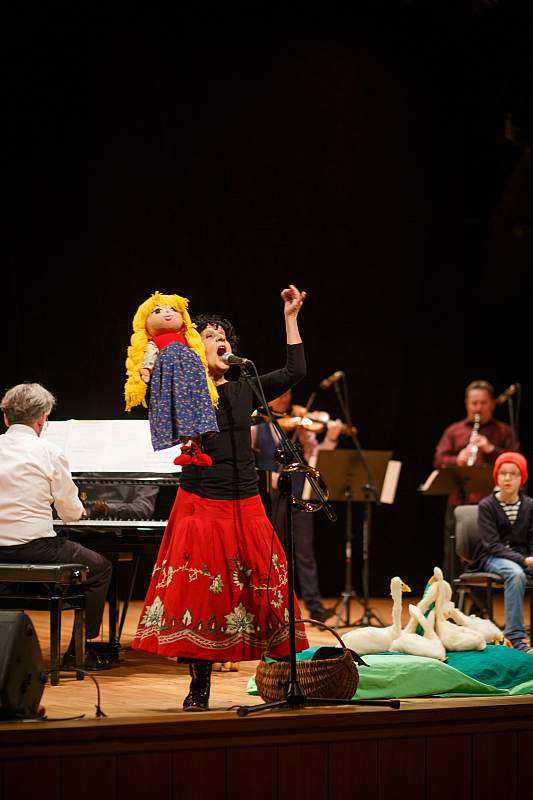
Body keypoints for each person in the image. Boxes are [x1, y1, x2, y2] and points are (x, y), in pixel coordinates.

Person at [132, 285, 310, 710]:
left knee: (266, 587)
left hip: (245, 501)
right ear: (195, 344)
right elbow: (155, 399)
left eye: (222, 335)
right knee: (202, 594)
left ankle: (286, 678)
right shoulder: (184, 384)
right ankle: (199, 685)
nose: (218, 339)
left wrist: (290, 317)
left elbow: (295, 370)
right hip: (200, 502)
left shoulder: (245, 385)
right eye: (209, 334)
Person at [0, 383, 112, 669]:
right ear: (42, 419)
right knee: (99, 568)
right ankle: (79, 651)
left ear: (5, 417)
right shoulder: (49, 452)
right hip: (35, 549)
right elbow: (71, 513)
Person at [252, 390, 344, 623]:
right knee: (273, 551)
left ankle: (314, 605)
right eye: (279, 394)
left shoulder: (301, 426)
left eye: (289, 394)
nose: (285, 399)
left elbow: (316, 457)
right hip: (269, 498)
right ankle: (273, 603)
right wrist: (266, 475)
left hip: (298, 495)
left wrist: (327, 436)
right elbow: (247, 458)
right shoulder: (256, 425)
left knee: (305, 553)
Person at [434, 379, 516, 582]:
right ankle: (451, 602)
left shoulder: (504, 431)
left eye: (483, 403)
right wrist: (457, 459)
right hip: (458, 503)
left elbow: (515, 463)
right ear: (466, 404)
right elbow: (438, 460)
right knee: (453, 553)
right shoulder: (454, 431)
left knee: (487, 553)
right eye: (474, 403)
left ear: (492, 404)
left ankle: (481, 603)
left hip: (492, 504)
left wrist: (491, 450)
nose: (478, 407)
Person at [468, 452, 533, 653]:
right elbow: (492, 544)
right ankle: (515, 636)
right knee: (515, 574)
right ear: (496, 476)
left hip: (522, 557)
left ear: (521, 478)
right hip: (492, 557)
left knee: (518, 570)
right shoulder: (487, 505)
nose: (507, 478)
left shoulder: (530, 505)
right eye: (503, 473)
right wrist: (524, 560)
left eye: (513, 474)